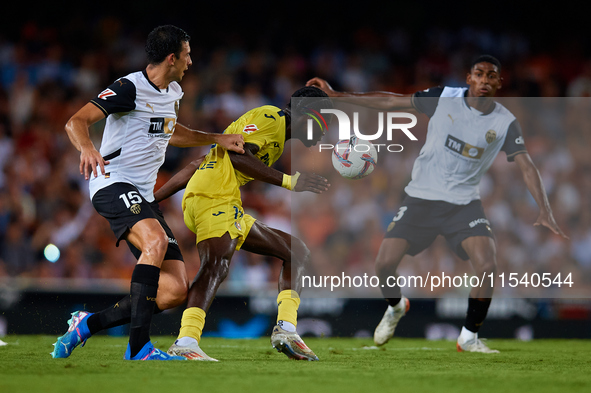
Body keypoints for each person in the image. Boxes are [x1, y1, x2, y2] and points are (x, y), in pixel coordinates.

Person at [307, 55, 567, 353]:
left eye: (491, 76)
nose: (484, 80)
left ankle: (468, 337)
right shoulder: (444, 98)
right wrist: (338, 95)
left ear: (499, 83)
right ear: (469, 78)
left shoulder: (505, 122)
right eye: (478, 74)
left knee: (487, 264)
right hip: (421, 198)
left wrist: (545, 209)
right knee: (384, 265)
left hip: (464, 203)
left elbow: (527, 165)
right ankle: (395, 306)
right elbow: (392, 103)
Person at [52, 25, 244, 361]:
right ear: (172, 58)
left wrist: (217, 137)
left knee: (173, 291)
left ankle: (86, 325)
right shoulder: (129, 88)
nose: (191, 61)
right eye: (186, 55)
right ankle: (139, 347)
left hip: (143, 195)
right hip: (112, 182)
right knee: (155, 243)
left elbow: (172, 131)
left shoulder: (173, 93)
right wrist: (86, 148)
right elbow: (76, 121)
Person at [153, 86, 331, 361]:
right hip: (213, 196)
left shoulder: (276, 136)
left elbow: (201, 161)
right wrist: (289, 181)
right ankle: (186, 340)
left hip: (222, 200)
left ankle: (286, 329)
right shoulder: (270, 119)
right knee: (216, 264)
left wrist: (155, 199)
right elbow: (237, 154)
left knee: (296, 251)